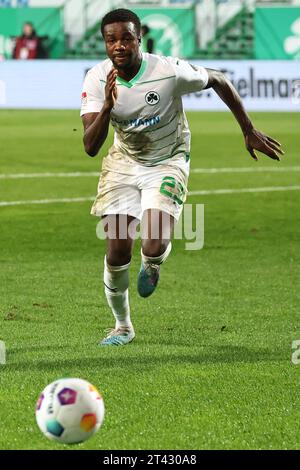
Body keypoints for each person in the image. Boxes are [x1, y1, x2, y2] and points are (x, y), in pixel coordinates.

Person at [80, 8, 284, 346]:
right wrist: (106, 108)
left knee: (153, 243)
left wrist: (248, 130)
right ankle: (122, 327)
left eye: (126, 38)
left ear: (139, 39)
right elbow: (90, 146)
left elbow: (219, 78)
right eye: (111, 39)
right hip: (124, 162)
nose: (119, 45)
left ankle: (153, 263)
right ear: (104, 43)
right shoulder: (97, 78)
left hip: (168, 160)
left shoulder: (168, 71)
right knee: (117, 251)